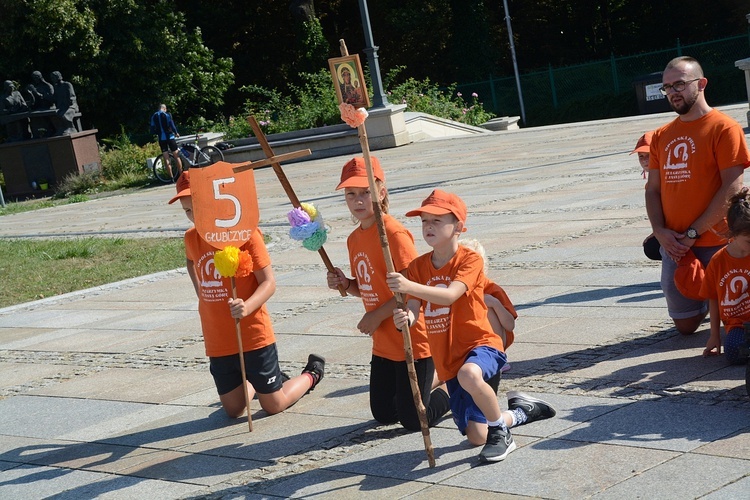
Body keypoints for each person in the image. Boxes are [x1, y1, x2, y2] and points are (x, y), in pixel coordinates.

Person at [387, 189, 555, 463]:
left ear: (458, 227)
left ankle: (503, 435)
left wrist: (407, 285)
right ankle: (523, 411)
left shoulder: (469, 260)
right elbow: (414, 309)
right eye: (424, 220)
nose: (428, 226)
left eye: (437, 220)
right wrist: (405, 319)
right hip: (448, 356)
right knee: (476, 436)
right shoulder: (418, 267)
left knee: (469, 376)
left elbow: (451, 294)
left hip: (482, 344)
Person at [168, 171, 325, 418]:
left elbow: (269, 283)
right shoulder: (191, 238)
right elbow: (191, 261)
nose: (194, 217)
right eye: (187, 211)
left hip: (253, 334)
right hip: (218, 337)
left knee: (272, 405)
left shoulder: (246, 234)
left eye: (197, 208)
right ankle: (260, 384)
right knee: (234, 410)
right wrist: (201, 291)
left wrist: (248, 306)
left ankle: (311, 375)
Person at [325, 157, 450, 431]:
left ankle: (455, 384)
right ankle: (433, 381)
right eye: (351, 194)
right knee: (384, 413)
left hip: (411, 339)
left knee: (415, 419)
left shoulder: (393, 233)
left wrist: (374, 316)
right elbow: (368, 286)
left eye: (365, 192)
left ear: (381, 192)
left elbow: (411, 287)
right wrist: (346, 284)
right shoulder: (353, 239)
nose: (358, 200)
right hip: (383, 342)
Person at [645, 56, 750, 335]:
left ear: (701, 83)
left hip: (718, 241)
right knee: (685, 326)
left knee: (736, 325)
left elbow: (733, 186)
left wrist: (693, 233)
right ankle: (708, 302)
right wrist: (660, 231)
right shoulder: (660, 135)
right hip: (676, 245)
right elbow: (652, 189)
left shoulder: (723, 127)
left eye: (679, 84)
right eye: (667, 87)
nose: (673, 92)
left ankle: (721, 302)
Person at [699, 187, 750, 365]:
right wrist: (714, 335)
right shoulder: (718, 261)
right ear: (733, 234)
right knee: (735, 352)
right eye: (749, 241)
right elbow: (712, 298)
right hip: (738, 325)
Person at [459, 238, 517, 373]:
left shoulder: (491, 288)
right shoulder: (454, 287)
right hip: (464, 342)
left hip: (492, 341)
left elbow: (510, 325)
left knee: (487, 304)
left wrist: (495, 303)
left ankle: (496, 355)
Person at [631, 132, 661, 261]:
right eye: (641, 156)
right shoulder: (651, 182)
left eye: (648, 155)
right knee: (651, 247)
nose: (644, 160)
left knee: (653, 247)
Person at [151, 104, 183, 180]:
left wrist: (157, 133)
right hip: (170, 137)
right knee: (176, 156)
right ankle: (181, 175)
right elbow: (172, 125)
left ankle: (171, 178)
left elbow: (152, 129)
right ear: (164, 109)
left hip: (161, 139)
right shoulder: (166, 115)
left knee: (166, 159)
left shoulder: (154, 116)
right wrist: (176, 133)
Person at [49, 71, 79, 135]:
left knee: (64, 114)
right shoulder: (56, 87)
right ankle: (60, 129)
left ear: (58, 77)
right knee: (53, 114)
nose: (52, 79)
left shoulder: (67, 84)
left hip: (71, 106)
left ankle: (71, 128)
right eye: (51, 78)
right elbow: (54, 98)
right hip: (61, 107)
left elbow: (72, 96)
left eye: (53, 77)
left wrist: (71, 101)